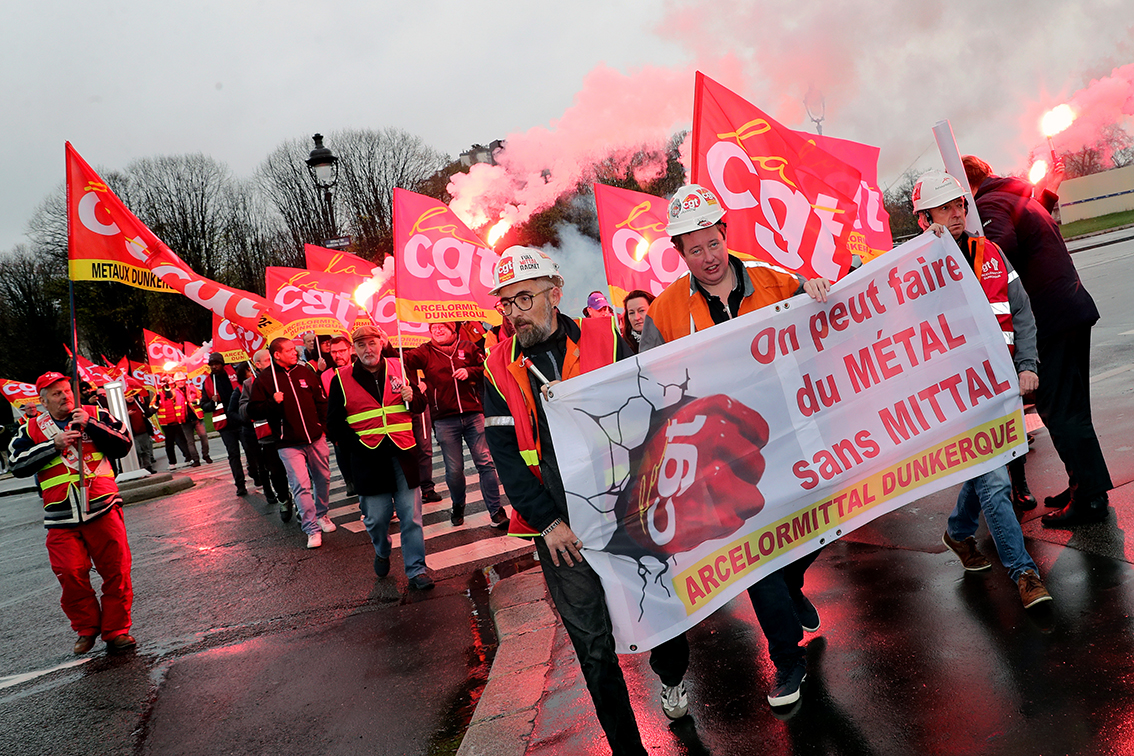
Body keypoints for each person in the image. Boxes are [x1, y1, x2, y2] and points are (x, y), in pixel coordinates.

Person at [483, 246, 692, 755]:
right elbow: (508, 459)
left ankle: (671, 675)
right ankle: (627, 748)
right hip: (559, 526)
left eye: (524, 298)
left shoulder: (606, 336)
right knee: (592, 645)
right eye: (506, 304)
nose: (514, 313)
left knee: (658, 610)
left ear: (555, 294)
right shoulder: (497, 369)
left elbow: (649, 400)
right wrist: (548, 521)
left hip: (626, 505)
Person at [638, 183, 832, 708]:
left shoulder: (775, 283)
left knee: (822, 524)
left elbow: (830, 330)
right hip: (721, 452)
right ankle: (788, 662)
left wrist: (817, 293)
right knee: (757, 555)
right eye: (693, 249)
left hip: (789, 434)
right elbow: (649, 386)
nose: (706, 257)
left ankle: (793, 590)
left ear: (726, 235)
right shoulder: (665, 311)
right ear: (680, 254)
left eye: (712, 243)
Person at [913, 171, 1052, 607]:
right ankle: (1024, 574)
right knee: (994, 480)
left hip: (1000, 386)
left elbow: (1022, 310)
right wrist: (931, 254)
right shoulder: (915, 265)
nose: (957, 213)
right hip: (957, 395)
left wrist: (1027, 364)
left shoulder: (989, 251)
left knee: (987, 467)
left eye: (959, 204)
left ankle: (958, 534)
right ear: (924, 219)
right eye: (945, 208)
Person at [963, 155, 1113, 527]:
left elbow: (998, 250)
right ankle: (1084, 485)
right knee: (1073, 409)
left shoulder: (988, 204)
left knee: (1061, 411)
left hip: (1048, 320)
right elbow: (1025, 236)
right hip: (1071, 309)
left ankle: (1091, 499)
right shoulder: (1014, 197)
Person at [9, 372, 136, 654]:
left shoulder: (94, 413)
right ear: (42, 400)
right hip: (60, 516)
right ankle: (87, 628)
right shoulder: (29, 430)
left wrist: (91, 424)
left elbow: (124, 443)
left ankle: (116, 630)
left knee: (116, 571)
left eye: (67, 391)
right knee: (70, 573)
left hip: (103, 506)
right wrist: (53, 446)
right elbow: (17, 465)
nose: (64, 397)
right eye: (56, 394)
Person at [328, 325, 435, 590]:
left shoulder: (399, 366)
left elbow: (419, 407)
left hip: (403, 454)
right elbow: (334, 425)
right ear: (354, 350)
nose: (368, 349)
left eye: (372, 343)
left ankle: (416, 570)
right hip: (367, 458)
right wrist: (357, 446)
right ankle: (383, 549)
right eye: (361, 345)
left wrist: (415, 397)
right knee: (377, 518)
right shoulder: (340, 378)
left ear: (381, 343)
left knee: (411, 515)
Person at [406, 322, 507, 529]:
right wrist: (384, 343)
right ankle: (458, 505)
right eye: (434, 327)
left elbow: (486, 367)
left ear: (454, 329)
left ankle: (497, 511)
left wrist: (469, 372)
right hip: (444, 420)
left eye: (443, 326)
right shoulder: (425, 352)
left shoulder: (469, 347)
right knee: (454, 470)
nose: (438, 329)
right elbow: (400, 359)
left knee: (485, 463)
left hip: (473, 415)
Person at [248, 338, 333, 548]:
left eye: (294, 350)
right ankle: (311, 528)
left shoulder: (304, 372)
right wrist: (272, 402)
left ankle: (322, 514)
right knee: (301, 486)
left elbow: (321, 400)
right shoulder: (265, 380)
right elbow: (253, 411)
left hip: (315, 437)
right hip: (287, 443)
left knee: (323, 477)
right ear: (277, 354)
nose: (294, 353)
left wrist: (322, 428)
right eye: (288, 350)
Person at [239, 352, 291, 517]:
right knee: (276, 471)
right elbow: (242, 409)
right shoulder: (249, 384)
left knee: (296, 470)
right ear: (258, 365)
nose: (271, 363)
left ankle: (302, 504)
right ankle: (283, 499)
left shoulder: (284, 375)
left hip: (289, 431)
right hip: (268, 436)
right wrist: (254, 407)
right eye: (267, 361)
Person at [202, 353, 248, 496]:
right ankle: (240, 484)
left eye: (216, 364)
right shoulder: (208, 382)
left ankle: (255, 473)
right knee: (233, 455)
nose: (214, 367)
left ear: (223, 364)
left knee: (250, 450)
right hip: (225, 426)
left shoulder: (234, 372)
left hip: (241, 420)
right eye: (211, 365)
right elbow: (203, 405)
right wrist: (212, 402)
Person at [321, 335, 357, 497]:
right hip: (340, 422)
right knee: (342, 453)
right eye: (333, 352)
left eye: (342, 351)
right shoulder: (326, 375)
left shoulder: (359, 368)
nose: (337, 355)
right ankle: (349, 480)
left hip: (360, 420)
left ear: (350, 350)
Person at [156, 377, 198, 467]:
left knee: (182, 441)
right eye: (168, 385)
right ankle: (172, 462)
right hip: (166, 423)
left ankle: (188, 458)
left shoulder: (175, 392)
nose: (170, 386)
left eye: (171, 384)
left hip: (177, 421)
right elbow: (152, 409)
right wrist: (156, 403)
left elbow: (170, 396)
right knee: (169, 444)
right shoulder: (158, 394)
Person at [177, 372, 212, 464]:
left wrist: (195, 401)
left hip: (197, 418)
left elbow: (201, 398)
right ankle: (196, 459)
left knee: (204, 437)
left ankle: (206, 455)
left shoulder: (192, 388)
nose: (180, 382)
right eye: (178, 381)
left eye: (182, 380)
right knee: (190, 442)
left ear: (185, 380)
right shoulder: (173, 392)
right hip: (185, 420)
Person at [125, 380, 157, 474]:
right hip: (132, 433)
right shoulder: (123, 407)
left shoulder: (139, 404)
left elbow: (148, 413)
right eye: (127, 396)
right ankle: (139, 467)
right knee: (138, 451)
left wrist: (155, 406)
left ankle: (148, 467)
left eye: (131, 396)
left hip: (143, 431)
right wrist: (127, 415)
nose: (130, 398)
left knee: (146, 450)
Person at [620, 289, 655, 354]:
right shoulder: (623, 346)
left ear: (653, 309)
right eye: (631, 313)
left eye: (641, 310)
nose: (637, 317)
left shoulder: (667, 335)